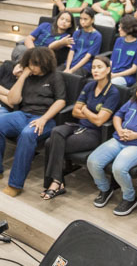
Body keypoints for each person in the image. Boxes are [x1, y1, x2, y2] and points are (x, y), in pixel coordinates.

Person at [0, 47, 67, 197]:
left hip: (44, 118)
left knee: (27, 134)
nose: (32, 67)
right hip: (23, 114)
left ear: (44, 63)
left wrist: (43, 119)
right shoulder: (27, 76)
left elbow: (61, 101)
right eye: (30, 64)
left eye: (35, 64)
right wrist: (23, 77)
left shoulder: (55, 77)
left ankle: (15, 184)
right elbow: (13, 100)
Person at [41, 57, 121, 200]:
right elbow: (74, 112)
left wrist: (84, 110)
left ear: (108, 70)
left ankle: (54, 183)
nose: (95, 70)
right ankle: (57, 182)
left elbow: (99, 121)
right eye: (93, 67)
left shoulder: (113, 92)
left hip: (94, 134)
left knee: (49, 143)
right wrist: (91, 114)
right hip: (78, 126)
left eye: (99, 67)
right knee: (56, 131)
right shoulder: (89, 86)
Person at [88, 76, 137, 215]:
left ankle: (129, 198)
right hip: (120, 139)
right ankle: (105, 189)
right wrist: (120, 130)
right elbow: (117, 116)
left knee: (119, 168)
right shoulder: (132, 102)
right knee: (93, 161)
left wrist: (135, 135)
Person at [65, 8, 103, 75]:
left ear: (92, 20)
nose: (82, 21)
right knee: (57, 73)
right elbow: (71, 51)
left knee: (72, 77)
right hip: (71, 62)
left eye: (85, 19)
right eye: (81, 19)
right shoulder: (76, 33)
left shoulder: (97, 36)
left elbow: (88, 57)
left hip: (85, 66)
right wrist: (67, 68)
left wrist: (71, 70)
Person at [110, 16, 137, 87]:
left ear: (129, 29)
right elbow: (112, 61)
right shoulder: (118, 40)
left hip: (126, 77)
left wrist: (115, 75)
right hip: (113, 72)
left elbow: (134, 69)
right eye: (119, 27)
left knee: (110, 84)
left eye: (121, 27)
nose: (119, 29)